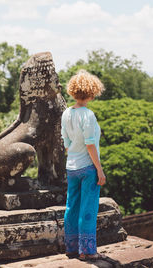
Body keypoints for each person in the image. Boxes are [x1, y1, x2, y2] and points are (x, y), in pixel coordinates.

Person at [61, 70, 106, 261]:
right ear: (92, 92)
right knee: (88, 208)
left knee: (72, 207)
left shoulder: (66, 113)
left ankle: (71, 248)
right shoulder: (88, 115)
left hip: (71, 166)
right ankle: (87, 251)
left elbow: (66, 143)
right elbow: (90, 144)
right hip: (88, 168)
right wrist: (99, 169)